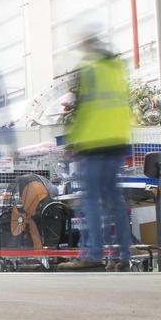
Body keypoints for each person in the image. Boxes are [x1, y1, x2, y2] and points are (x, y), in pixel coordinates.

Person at [59, 36, 134, 271]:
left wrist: (72, 141)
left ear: (88, 48)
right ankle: (124, 255)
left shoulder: (88, 70)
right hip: (117, 142)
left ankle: (93, 255)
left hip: (92, 144)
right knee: (115, 201)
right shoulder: (116, 70)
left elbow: (83, 109)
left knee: (90, 200)